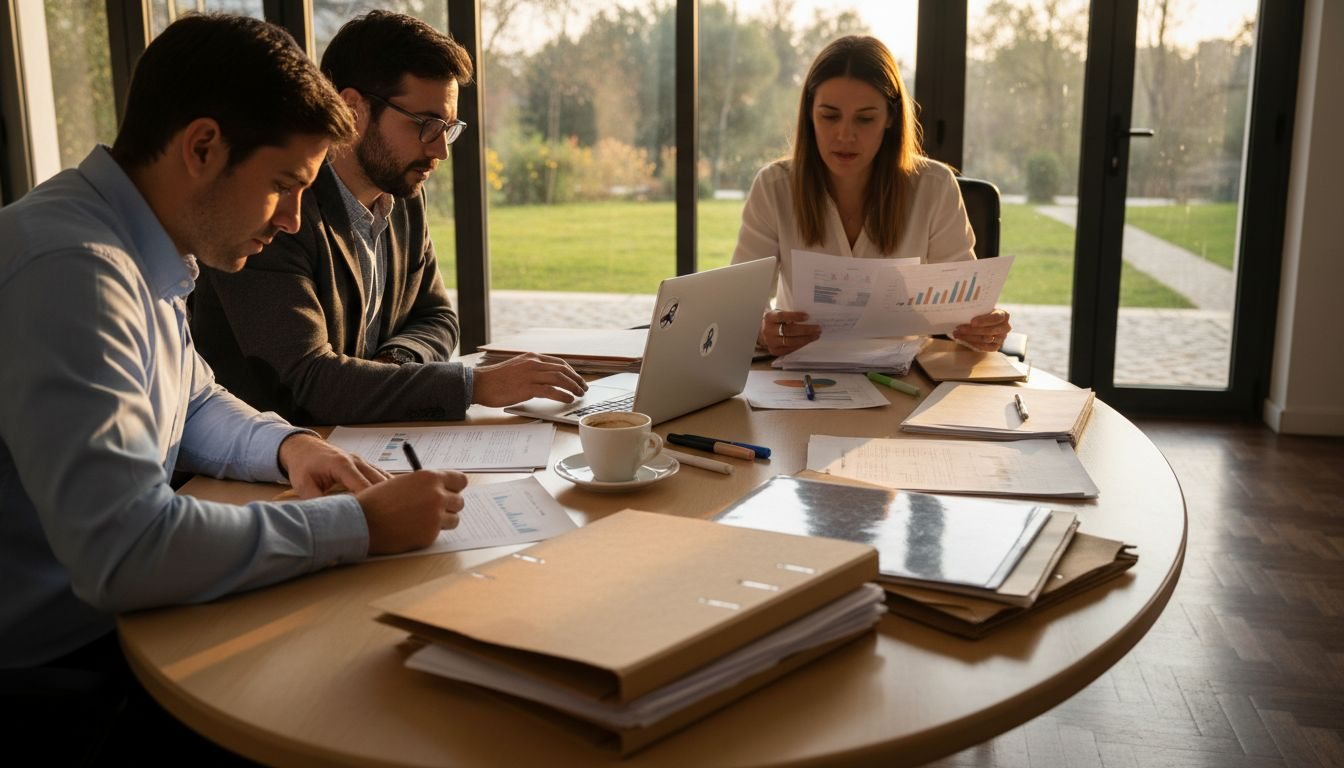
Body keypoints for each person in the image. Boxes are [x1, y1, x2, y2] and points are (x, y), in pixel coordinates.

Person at [0, 14, 467, 673]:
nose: (292, 221)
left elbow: (191, 400)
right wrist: (361, 527)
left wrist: (290, 445)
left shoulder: (136, 247)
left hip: (115, 633)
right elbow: (126, 552)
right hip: (61, 669)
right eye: (282, 186)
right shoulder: (72, 272)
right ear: (202, 149)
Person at [189, 11, 586, 426]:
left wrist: (393, 362)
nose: (440, 151)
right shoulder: (277, 213)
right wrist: (476, 386)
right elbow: (312, 382)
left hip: (363, 444)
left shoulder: (403, 193)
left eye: (448, 128)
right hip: (268, 465)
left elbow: (437, 317)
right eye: (428, 125)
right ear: (352, 109)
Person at [731, 35, 1012, 356]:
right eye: (829, 115)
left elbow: (963, 312)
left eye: (865, 118)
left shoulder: (934, 186)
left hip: (904, 377)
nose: (845, 135)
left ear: (890, 118)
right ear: (810, 114)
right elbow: (740, 307)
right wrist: (766, 330)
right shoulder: (774, 186)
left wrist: (983, 328)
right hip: (800, 375)